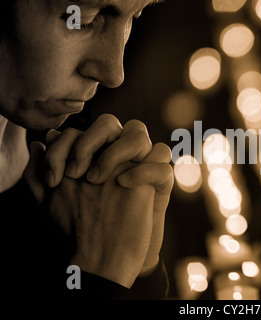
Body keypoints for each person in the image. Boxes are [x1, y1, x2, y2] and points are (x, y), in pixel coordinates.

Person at [0, 0, 174, 299]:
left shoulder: (65, 179)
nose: (114, 72)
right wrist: (102, 276)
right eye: (82, 20)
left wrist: (139, 267)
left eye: (135, 18)